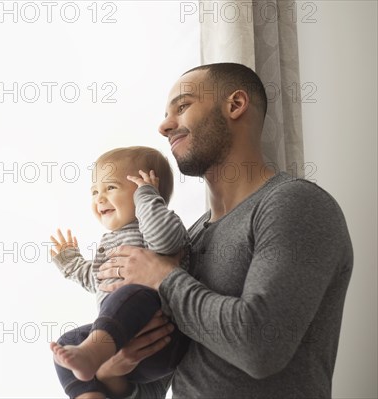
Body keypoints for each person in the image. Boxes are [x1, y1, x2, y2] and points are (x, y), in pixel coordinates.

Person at [90, 63, 354, 398]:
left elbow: (260, 348)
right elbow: (161, 381)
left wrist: (163, 277)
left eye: (182, 107)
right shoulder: (194, 233)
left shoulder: (295, 205)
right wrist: (115, 373)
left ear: (235, 105)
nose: (164, 125)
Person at [49, 146, 191, 398]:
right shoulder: (109, 243)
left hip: (161, 339)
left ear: (146, 190)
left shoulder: (157, 226)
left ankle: (92, 353)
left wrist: (147, 198)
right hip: (117, 347)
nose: (99, 198)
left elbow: (165, 242)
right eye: (94, 191)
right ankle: (89, 394)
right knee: (66, 342)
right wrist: (71, 262)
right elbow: (97, 280)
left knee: (135, 292)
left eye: (111, 188)